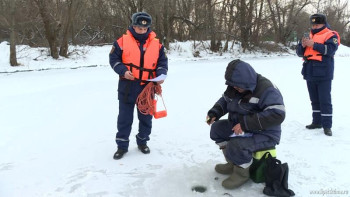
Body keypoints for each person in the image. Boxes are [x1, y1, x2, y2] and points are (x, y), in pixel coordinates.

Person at [206, 59, 285, 189]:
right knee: (216, 129)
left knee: (236, 144)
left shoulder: (267, 89)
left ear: (247, 81)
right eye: (233, 86)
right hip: (242, 126)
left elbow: (277, 114)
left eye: (238, 86)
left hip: (265, 133)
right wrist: (215, 112)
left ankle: (242, 172)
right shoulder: (235, 86)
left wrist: (245, 124)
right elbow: (225, 101)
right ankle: (232, 162)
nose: (235, 88)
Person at [109, 12, 168, 159]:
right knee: (124, 118)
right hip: (127, 86)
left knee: (146, 118)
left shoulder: (157, 44)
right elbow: (114, 59)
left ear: (148, 28)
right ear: (133, 26)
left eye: (144, 28)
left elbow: (162, 63)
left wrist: (161, 75)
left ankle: (143, 141)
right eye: (138, 28)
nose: (141, 31)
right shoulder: (122, 41)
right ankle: (122, 146)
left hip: (147, 87)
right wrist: (123, 71)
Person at [296, 13, 340, 136]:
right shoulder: (308, 35)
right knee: (314, 99)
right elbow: (299, 53)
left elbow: (330, 50)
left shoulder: (331, 34)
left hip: (324, 72)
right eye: (313, 24)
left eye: (317, 24)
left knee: (324, 100)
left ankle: (327, 126)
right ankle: (317, 122)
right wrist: (303, 46)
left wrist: (313, 45)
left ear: (324, 24)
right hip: (309, 71)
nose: (315, 27)